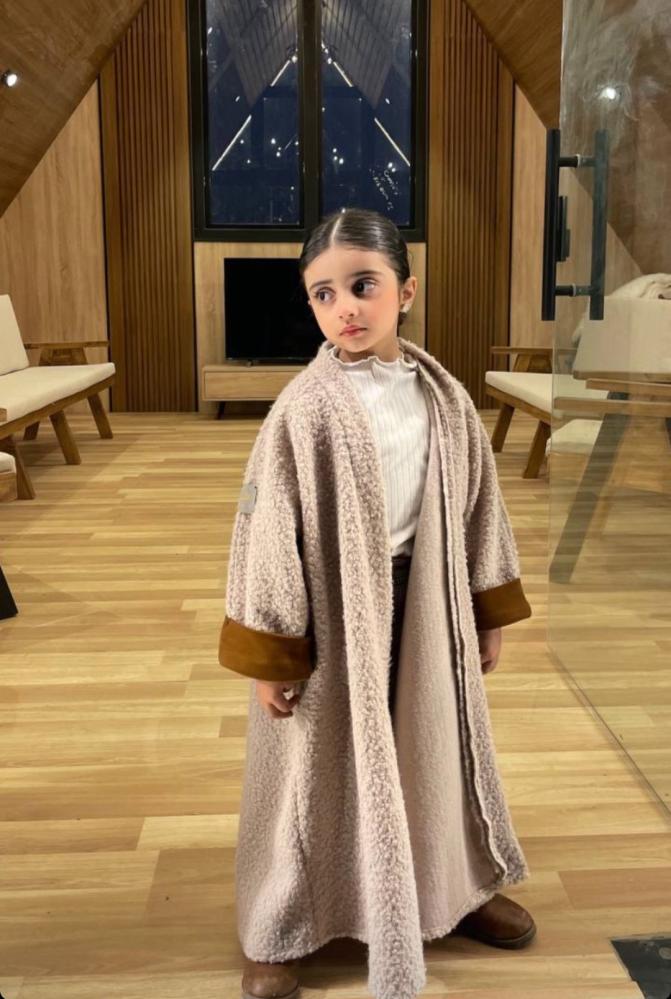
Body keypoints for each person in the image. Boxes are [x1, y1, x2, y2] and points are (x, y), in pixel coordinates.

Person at [219, 207, 536, 999]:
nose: (345, 308)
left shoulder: (444, 398)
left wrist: (484, 607)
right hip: (332, 613)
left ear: (406, 291)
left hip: (425, 598)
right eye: (323, 294)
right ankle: (283, 919)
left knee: (434, 745)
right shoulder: (303, 409)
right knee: (315, 765)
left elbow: (479, 508)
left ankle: (451, 886)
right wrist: (271, 651)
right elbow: (265, 532)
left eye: (363, 285)